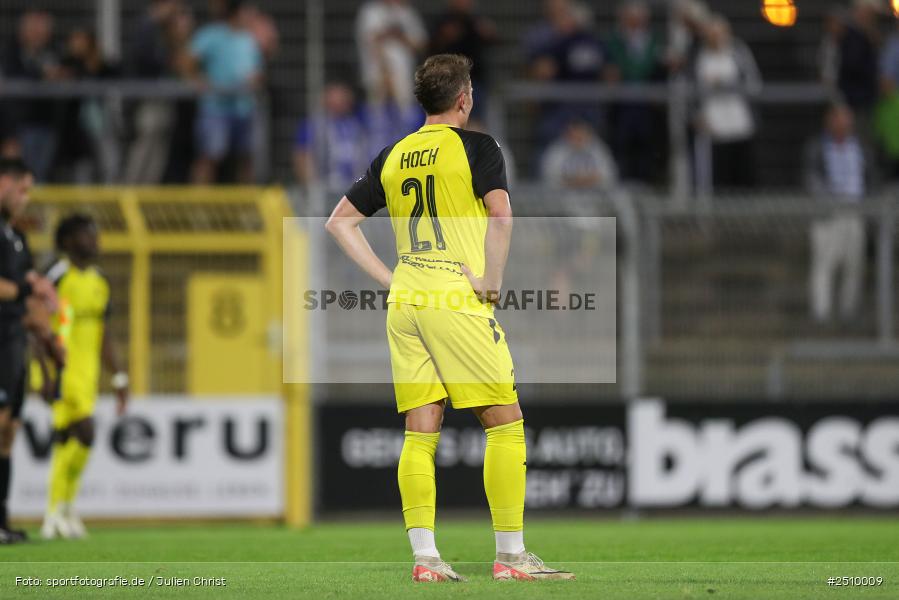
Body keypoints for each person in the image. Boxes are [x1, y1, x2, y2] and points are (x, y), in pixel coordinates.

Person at [326, 54, 574, 582]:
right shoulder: (478, 147)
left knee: (421, 429)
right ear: (464, 98)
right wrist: (491, 281)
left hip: (407, 298)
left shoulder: (393, 155)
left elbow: (339, 223)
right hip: (453, 294)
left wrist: (391, 279)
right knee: (505, 422)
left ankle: (426, 560)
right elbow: (502, 215)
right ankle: (512, 558)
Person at [40, 214, 129, 540]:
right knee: (86, 433)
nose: (94, 240)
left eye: (95, 233)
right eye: (86, 234)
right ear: (67, 241)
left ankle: (61, 510)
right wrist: (44, 373)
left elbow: (103, 334)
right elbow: (37, 326)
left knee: (68, 440)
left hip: (87, 373)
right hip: (60, 370)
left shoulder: (99, 281)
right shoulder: (57, 275)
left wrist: (118, 377)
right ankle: (56, 510)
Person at [0, 158, 55, 544]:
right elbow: (18, 289)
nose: (26, 198)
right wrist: (26, 289)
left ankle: (2, 520)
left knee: (9, 431)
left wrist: (49, 342)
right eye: (22, 189)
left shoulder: (15, 237)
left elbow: (28, 294)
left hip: (13, 342)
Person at [804, 104, 873, 323]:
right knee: (824, 263)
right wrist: (826, 199)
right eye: (839, 119)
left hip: (855, 211)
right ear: (829, 122)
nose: (844, 124)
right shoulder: (817, 147)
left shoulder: (861, 147)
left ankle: (848, 313)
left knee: (854, 264)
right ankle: (821, 314)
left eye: (847, 120)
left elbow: (870, 178)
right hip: (828, 213)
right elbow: (811, 177)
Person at [190, 0, 263, 184]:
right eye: (247, 11)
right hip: (215, 109)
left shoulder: (250, 39)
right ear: (237, 13)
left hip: (244, 109)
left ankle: (247, 201)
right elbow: (187, 61)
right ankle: (199, 201)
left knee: (246, 159)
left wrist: (256, 79)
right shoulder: (211, 35)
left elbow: (257, 71)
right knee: (210, 157)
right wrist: (197, 80)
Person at [694, 15, 761, 190]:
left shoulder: (738, 53)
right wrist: (696, 116)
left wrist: (726, 84)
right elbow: (690, 91)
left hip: (740, 125)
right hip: (713, 129)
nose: (716, 38)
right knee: (719, 180)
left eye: (719, 33)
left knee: (744, 177)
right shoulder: (699, 57)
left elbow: (753, 84)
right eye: (712, 34)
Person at [2, 11, 64, 182]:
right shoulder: (11, 53)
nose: (39, 35)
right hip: (20, 125)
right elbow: (14, 84)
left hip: (47, 123)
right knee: (20, 172)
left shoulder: (53, 52)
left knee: (41, 173)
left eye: (42, 30)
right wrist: (41, 76)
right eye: (35, 30)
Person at [604, 0, 662, 183]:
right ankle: (623, 183)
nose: (636, 22)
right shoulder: (614, 41)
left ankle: (646, 183)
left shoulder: (653, 41)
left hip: (646, 105)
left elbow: (655, 69)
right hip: (622, 105)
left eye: (639, 18)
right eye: (631, 18)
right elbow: (614, 69)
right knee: (621, 145)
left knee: (647, 145)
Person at [125, 0, 182, 184]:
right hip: (148, 97)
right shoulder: (146, 27)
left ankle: (149, 189)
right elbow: (147, 60)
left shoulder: (163, 29)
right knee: (146, 143)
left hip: (163, 97)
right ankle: (132, 188)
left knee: (159, 146)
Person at [293, 83, 370, 192]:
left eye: (342, 96)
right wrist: (312, 187)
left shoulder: (357, 123)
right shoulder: (314, 124)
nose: (339, 101)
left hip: (355, 188)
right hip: (325, 188)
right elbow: (302, 156)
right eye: (335, 96)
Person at [356, 0, 428, 111]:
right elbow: (370, 42)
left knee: (405, 109)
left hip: (404, 77)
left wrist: (400, 35)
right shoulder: (371, 11)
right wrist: (385, 70)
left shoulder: (407, 12)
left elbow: (420, 44)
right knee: (377, 110)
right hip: (377, 74)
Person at [542, 120, 617, 193]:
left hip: (594, 194)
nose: (577, 140)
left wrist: (587, 181)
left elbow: (609, 176)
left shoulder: (599, 150)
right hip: (563, 195)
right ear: (566, 135)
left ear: (588, 135)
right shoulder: (556, 150)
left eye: (580, 136)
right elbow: (549, 176)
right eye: (573, 136)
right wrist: (573, 181)